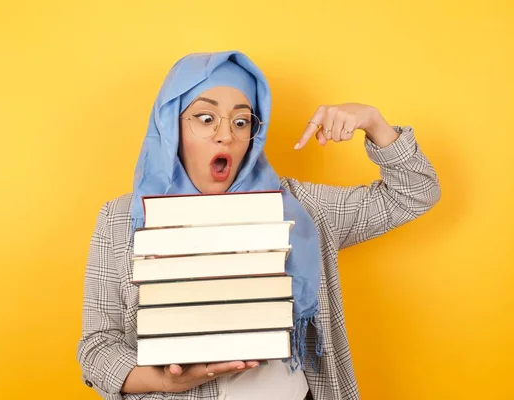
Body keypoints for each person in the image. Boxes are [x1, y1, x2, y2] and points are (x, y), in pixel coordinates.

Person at [76, 50, 441, 400]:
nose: (226, 135)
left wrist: (373, 122)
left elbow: (414, 193)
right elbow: (97, 348)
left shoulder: (300, 208)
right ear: (171, 126)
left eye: (241, 121)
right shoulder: (120, 220)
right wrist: (167, 382)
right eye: (205, 118)